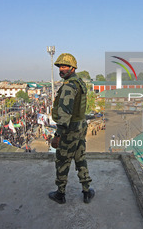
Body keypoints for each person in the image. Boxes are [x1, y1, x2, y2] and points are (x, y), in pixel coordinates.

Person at [48, 53, 94, 204]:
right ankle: (87, 191)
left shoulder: (68, 86)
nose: (61, 69)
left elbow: (64, 113)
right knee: (80, 157)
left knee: (62, 161)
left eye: (65, 66)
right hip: (80, 127)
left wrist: (57, 135)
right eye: (60, 66)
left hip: (69, 130)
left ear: (72, 68)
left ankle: (60, 194)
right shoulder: (79, 82)